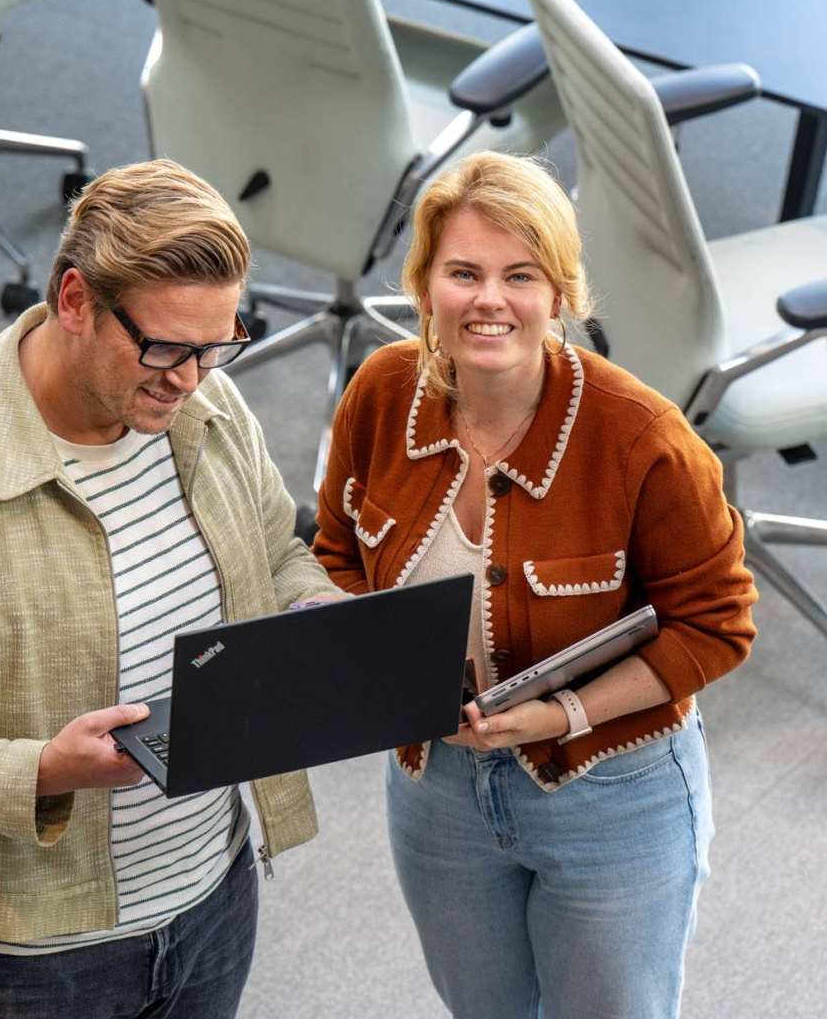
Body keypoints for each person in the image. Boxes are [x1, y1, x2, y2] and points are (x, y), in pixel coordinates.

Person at [0, 158, 340, 1019]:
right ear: (74, 301)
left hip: (210, 894)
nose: (191, 378)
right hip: (26, 960)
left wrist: (310, 609)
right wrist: (46, 770)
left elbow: (274, 548)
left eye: (218, 347)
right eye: (166, 347)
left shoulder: (205, 408)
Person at [312, 150, 757, 1018]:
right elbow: (334, 548)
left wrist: (561, 715)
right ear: (425, 285)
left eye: (521, 275)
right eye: (463, 273)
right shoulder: (379, 392)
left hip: (609, 785)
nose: (489, 300)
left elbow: (717, 624)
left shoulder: (642, 440)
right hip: (434, 782)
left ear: (559, 294)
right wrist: (364, 668)